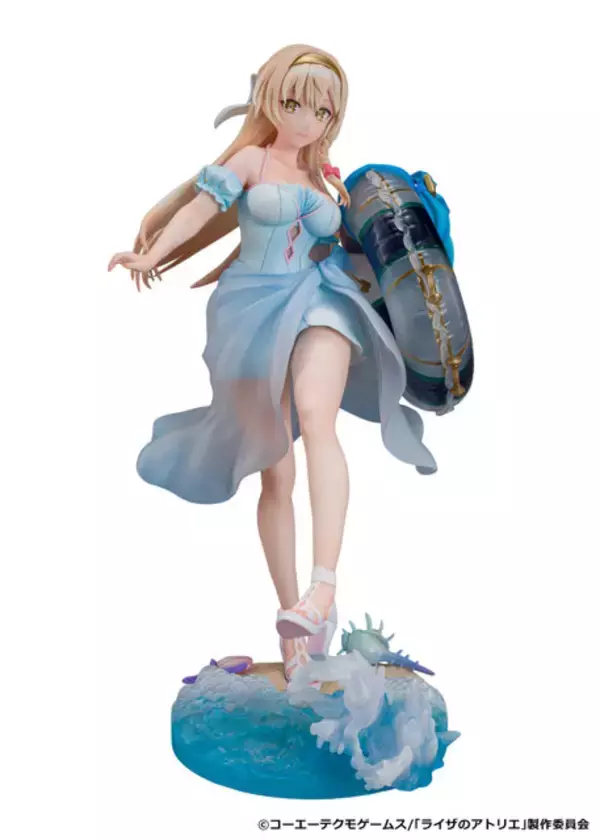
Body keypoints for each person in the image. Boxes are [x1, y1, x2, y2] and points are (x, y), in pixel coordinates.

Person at [108, 44, 436, 683]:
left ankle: (323, 588)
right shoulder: (250, 160)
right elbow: (200, 210)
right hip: (250, 310)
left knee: (318, 418)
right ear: (270, 99)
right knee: (275, 471)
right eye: (294, 103)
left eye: (322, 110)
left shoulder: (330, 179)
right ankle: (294, 625)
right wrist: (152, 254)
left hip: (322, 297)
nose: (308, 119)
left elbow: (371, 242)